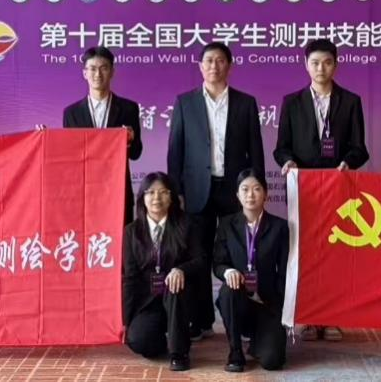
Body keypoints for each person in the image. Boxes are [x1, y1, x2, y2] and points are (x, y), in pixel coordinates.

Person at [168, 42, 265, 339]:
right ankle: (201, 319)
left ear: (229, 66)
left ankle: (240, 316)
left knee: (238, 251)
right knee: (199, 253)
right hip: (197, 190)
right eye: (208, 61)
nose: (214, 66)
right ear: (200, 66)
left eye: (220, 60)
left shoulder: (245, 103)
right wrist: (176, 191)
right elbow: (175, 151)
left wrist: (257, 188)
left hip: (235, 190)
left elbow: (256, 150)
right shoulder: (185, 102)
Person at [273, 38, 369, 341]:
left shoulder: (350, 101)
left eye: (327, 62)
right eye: (315, 63)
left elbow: (360, 148)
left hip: (338, 188)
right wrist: (288, 162)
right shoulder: (292, 102)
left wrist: (347, 162)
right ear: (306, 65)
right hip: (303, 191)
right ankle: (307, 315)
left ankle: (331, 318)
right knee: (304, 252)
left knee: (335, 253)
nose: (321, 68)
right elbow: (281, 148)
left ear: (335, 65)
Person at [122, 172, 203, 371]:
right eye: (150, 192)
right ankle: (164, 341)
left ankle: (179, 353)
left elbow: (200, 260)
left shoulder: (186, 225)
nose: (156, 198)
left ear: (171, 197)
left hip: (179, 298)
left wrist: (180, 269)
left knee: (174, 285)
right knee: (139, 341)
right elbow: (129, 278)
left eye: (163, 192)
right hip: (148, 302)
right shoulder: (132, 232)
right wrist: (126, 320)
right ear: (142, 197)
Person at [214, 169, 289, 372]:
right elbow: (218, 263)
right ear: (237, 195)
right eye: (245, 189)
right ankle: (235, 351)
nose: (250, 195)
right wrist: (228, 272)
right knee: (228, 291)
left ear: (266, 194)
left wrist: (281, 310)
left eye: (256, 189)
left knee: (273, 361)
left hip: (268, 305)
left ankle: (259, 341)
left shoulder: (280, 227)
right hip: (239, 303)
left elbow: (284, 272)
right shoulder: (227, 225)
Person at [63, 46, 143, 226]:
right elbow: (69, 156)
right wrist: (44, 138)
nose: (97, 74)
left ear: (112, 72)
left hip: (118, 190)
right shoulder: (71, 113)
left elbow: (136, 153)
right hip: (84, 192)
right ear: (84, 73)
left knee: (120, 238)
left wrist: (130, 139)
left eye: (103, 68)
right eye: (92, 69)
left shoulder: (128, 108)